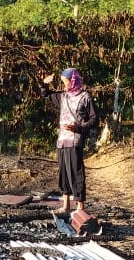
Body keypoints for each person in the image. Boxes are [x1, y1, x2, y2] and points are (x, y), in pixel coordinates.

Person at [40, 68, 98, 214]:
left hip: (75, 140)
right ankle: (65, 206)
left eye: (66, 82)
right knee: (64, 173)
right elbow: (46, 94)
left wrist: (78, 127)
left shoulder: (85, 97)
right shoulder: (63, 96)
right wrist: (44, 84)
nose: (65, 85)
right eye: (63, 82)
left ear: (73, 81)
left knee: (76, 173)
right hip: (62, 141)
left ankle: (80, 207)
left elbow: (94, 119)